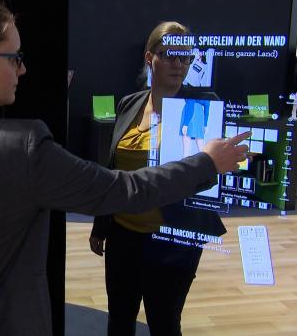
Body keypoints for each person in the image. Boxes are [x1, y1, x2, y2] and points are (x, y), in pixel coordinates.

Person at [0, 0, 249, 335]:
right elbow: (121, 190)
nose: (22, 68)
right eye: (14, 57)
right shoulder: (19, 147)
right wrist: (206, 163)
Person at [89, 21, 234, 336]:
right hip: (123, 236)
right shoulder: (130, 103)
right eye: (169, 56)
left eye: (185, 58)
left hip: (170, 239)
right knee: (119, 319)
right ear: (149, 57)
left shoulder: (202, 105)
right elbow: (113, 170)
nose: (178, 65)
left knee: (164, 323)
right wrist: (102, 225)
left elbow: (207, 176)